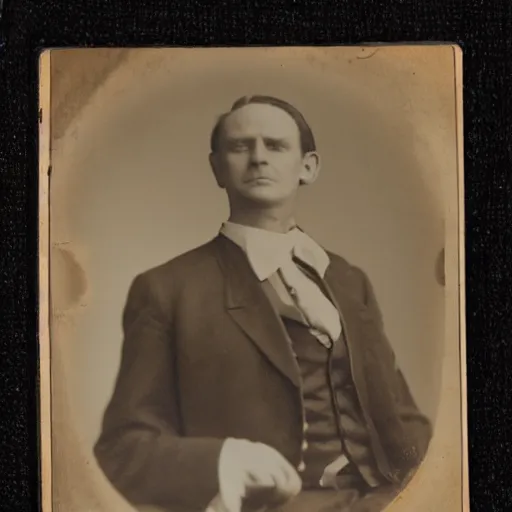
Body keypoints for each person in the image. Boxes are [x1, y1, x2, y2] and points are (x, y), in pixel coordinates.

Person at [93, 95, 432, 512]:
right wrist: (223, 459)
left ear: (308, 166)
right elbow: (124, 448)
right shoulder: (168, 289)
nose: (258, 158)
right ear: (217, 168)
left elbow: (402, 416)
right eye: (240, 147)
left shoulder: (347, 279)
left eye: (275, 145)